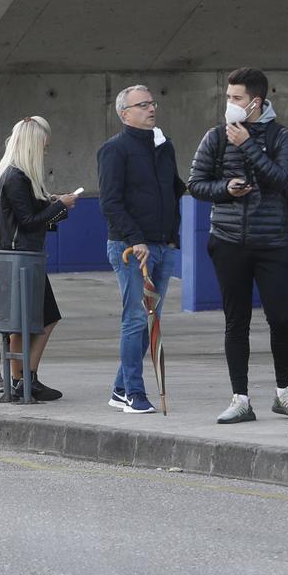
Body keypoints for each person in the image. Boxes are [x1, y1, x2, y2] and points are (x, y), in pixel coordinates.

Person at [188, 68, 288, 424]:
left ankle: (284, 392)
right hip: (228, 241)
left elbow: (280, 178)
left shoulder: (283, 136)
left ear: (256, 102)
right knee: (236, 321)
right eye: (227, 97)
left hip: (272, 242)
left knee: (281, 318)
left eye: (236, 98)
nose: (229, 105)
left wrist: (247, 145)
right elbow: (195, 183)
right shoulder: (215, 137)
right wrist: (226, 189)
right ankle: (240, 398)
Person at [99, 84, 184, 416]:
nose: (151, 109)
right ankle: (134, 392)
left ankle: (120, 388)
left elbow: (173, 189)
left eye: (152, 103)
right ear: (125, 113)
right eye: (143, 105)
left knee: (151, 321)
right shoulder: (114, 150)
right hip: (130, 248)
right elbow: (111, 202)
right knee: (136, 318)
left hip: (163, 244)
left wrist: (173, 235)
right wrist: (135, 239)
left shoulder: (164, 146)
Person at [0, 116, 78, 402]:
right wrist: (60, 206)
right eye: (43, 146)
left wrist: (51, 205)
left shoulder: (12, 174)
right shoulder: (16, 177)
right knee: (33, 319)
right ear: (31, 146)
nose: (45, 152)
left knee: (35, 319)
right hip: (21, 259)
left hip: (20, 258)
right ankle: (23, 379)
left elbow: (25, 216)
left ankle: (25, 377)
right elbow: (28, 221)